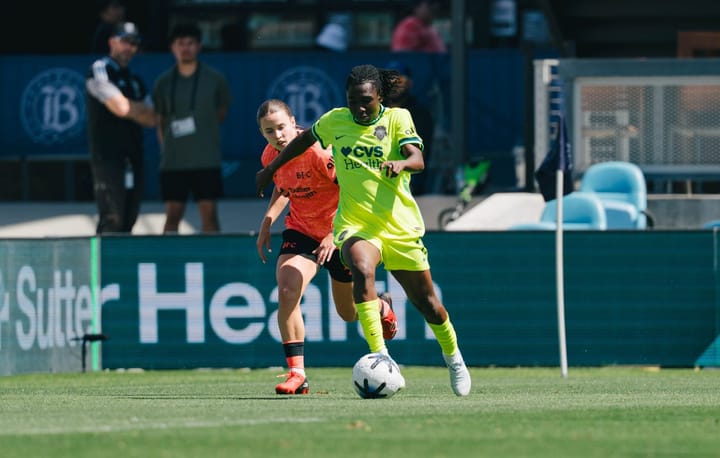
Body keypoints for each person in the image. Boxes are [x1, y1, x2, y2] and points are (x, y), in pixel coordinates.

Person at [255, 64, 471, 396]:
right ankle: (380, 357)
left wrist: (401, 163)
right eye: (353, 100)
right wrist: (269, 170)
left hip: (396, 225)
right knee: (359, 266)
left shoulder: (398, 119)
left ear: (380, 97)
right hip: (354, 225)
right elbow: (301, 143)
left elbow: (418, 159)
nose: (359, 107)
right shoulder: (335, 121)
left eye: (366, 101)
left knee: (427, 303)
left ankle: (454, 358)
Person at [255, 99, 397, 395]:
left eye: (281, 127)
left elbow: (352, 189)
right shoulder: (270, 155)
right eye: (269, 131)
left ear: (294, 122)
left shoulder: (318, 152)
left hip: (341, 230)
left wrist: (335, 235)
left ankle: (381, 305)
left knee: (348, 314)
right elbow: (283, 187)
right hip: (302, 231)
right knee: (286, 289)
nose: (278, 135)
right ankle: (297, 374)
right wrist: (268, 220)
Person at [152, 23, 232, 234]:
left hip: (205, 160)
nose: (185, 48)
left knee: (209, 215)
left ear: (198, 46)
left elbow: (221, 112)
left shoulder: (215, 79)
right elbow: (159, 121)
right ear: (173, 47)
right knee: (172, 217)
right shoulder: (163, 82)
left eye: (190, 43)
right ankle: (170, 263)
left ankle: (213, 262)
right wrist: (168, 148)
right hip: (173, 162)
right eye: (181, 44)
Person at [86, 21, 155, 234]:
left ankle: (121, 268)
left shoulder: (135, 79)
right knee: (112, 218)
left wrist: (129, 107)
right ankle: (101, 268)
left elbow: (152, 118)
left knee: (129, 220)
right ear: (112, 42)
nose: (130, 47)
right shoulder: (100, 69)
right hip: (107, 157)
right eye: (125, 41)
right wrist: (135, 109)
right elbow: (121, 108)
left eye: (134, 43)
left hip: (133, 157)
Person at [385, 60, 435, 195]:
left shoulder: (420, 114)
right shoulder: (373, 112)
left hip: (408, 186)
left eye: (399, 79)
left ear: (410, 83)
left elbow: (419, 155)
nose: (394, 83)